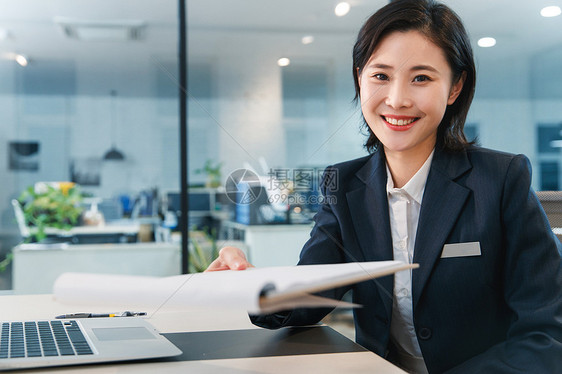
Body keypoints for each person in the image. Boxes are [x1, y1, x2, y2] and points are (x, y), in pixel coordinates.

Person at [206, 0, 562, 372]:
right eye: (380, 76)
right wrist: (250, 285)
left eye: (421, 78)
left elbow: (548, 334)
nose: (397, 100)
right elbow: (310, 295)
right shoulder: (343, 185)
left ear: (455, 86)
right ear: (360, 78)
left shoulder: (501, 178)